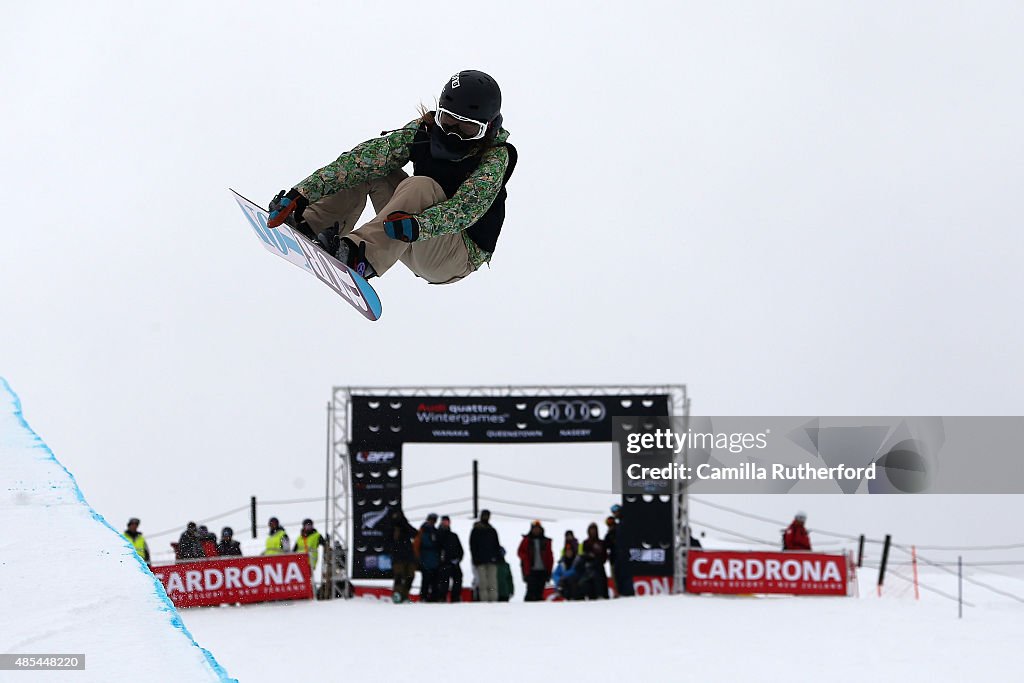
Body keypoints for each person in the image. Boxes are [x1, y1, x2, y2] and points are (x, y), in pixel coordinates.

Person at [265, 70, 517, 285]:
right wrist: (302, 194)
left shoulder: (494, 158)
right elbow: (362, 161)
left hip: (452, 255)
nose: (454, 133)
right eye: (448, 120)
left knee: (420, 186)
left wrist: (420, 225)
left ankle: (359, 257)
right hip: (406, 234)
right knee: (370, 171)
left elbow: (466, 209)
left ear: (489, 127)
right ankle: (311, 223)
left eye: (468, 128)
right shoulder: (424, 131)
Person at [516, 521, 553, 602]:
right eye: (535, 529)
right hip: (530, 570)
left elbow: (550, 557)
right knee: (531, 592)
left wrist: (549, 571)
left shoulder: (546, 541)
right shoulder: (526, 540)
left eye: (538, 529)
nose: (536, 531)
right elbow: (520, 552)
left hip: (543, 570)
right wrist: (525, 559)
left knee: (540, 593)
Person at [469, 509, 502, 602]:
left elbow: (496, 545)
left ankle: (493, 600)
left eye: (487, 516)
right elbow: (473, 546)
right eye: (484, 515)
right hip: (480, 561)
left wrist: (498, 557)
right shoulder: (476, 530)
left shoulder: (492, 530)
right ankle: (484, 601)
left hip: (492, 560)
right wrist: (475, 559)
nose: (486, 517)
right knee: (483, 583)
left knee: (493, 583)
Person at [388, 509, 418, 603]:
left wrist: (404, 524)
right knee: (399, 576)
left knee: (410, 576)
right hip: (397, 557)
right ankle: (397, 595)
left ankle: (405, 595)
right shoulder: (391, 527)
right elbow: (387, 539)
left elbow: (415, 533)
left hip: (409, 556)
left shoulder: (405, 526)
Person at [415, 513, 442, 602]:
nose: (433, 522)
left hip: (432, 560)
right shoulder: (424, 531)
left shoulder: (434, 531)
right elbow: (416, 546)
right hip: (427, 559)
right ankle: (426, 597)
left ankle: (429, 597)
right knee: (428, 581)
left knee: (432, 581)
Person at [437, 515, 464, 602]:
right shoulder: (438, 534)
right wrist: (442, 559)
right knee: (444, 582)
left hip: (455, 563)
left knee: (458, 579)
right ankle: (442, 598)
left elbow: (460, 550)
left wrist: (458, 559)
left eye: (447, 522)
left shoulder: (453, 536)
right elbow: (437, 549)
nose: (445, 523)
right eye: (444, 522)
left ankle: (455, 597)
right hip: (443, 563)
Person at [579, 522, 609, 600]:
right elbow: (583, 555)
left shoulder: (601, 543)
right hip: (589, 568)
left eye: (594, 530)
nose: (593, 532)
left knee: (601, 582)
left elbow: (604, 556)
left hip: (600, 567)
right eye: (591, 530)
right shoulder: (585, 543)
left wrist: (596, 558)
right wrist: (589, 556)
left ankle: (602, 596)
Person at [609, 503, 634, 597]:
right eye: (613, 512)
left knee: (625, 574)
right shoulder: (618, 525)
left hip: (624, 553)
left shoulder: (625, 522)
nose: (615, 513)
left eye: (616, 511)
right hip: (619, 554)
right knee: (619, 574)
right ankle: (622, 592)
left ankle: (627, 593)